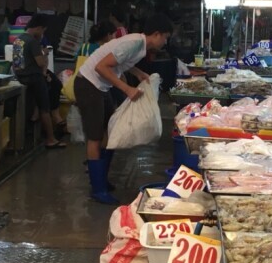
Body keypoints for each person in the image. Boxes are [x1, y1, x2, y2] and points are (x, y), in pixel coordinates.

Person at [74, 15, 173, 204]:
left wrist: (139, 73)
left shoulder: (140, 46)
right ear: (157, 34)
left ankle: (102, 179)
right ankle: (98, 189)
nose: (165, 42)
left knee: (109, 131)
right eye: (165, 37)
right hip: (88, 84)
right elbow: (101, 67)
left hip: (100, 87)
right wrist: (126, 88)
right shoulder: (134, 42)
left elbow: (123, 62)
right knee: (95, 137)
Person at [13, 15, 65, 149]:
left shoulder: (18, 40)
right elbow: (41, 62)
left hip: (21, 77)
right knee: (45, 108)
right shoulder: (32, 41)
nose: (42, 34)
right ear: (38, 28)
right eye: (43, 31)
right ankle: (51, 139)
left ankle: (35, 114)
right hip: (34, 78)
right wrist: (45, 53)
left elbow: (18, 63)